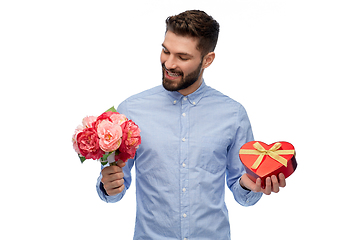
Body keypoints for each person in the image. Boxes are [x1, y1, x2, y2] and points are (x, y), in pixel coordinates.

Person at [96, 10, 286, 239]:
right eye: (166, 51)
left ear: (207, 60)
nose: (169, 63)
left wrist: (249, 184)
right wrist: (108, 185)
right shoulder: (130, 110)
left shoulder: (233, 114)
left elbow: (243, 195)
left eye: (183, 57)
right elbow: (113, 190)